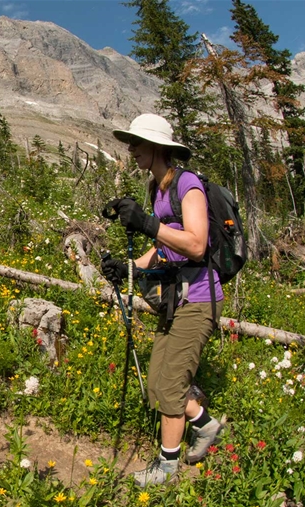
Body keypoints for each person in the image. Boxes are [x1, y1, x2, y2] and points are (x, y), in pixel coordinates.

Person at [101, 114, 224, 487]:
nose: (131, 149)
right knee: (158, 384)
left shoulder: (187, 185)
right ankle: (207, 425)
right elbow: (163, 247)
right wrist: (128, 268)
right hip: (175, 301)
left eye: (137, 143)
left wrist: (148, 224)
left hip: (199, 299)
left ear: (157, 148)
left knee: (170, 387)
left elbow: (197, 244)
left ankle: (166, 469)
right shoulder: (157, 189)